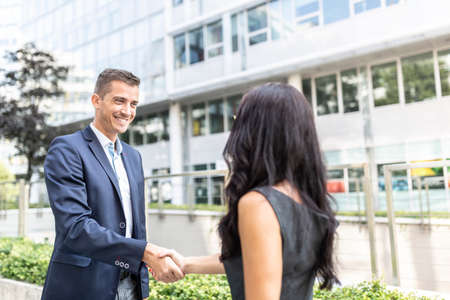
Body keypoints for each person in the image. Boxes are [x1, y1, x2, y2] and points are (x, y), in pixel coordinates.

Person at [159, 83, 340, 300]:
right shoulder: (304, 197)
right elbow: (260, 261)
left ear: (255, 131)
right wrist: (187, 264)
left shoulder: (260, 204)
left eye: (239, 119)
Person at [42, 68, 184, 300]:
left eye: (133, 104)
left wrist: (142, 283)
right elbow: (76, 227)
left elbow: (137, 225)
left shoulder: (133, 156)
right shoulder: (68, 149)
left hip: (129, 285)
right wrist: (145, 252)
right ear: (96, 101)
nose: (127, 111)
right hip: (83, 287)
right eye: (119, 101)